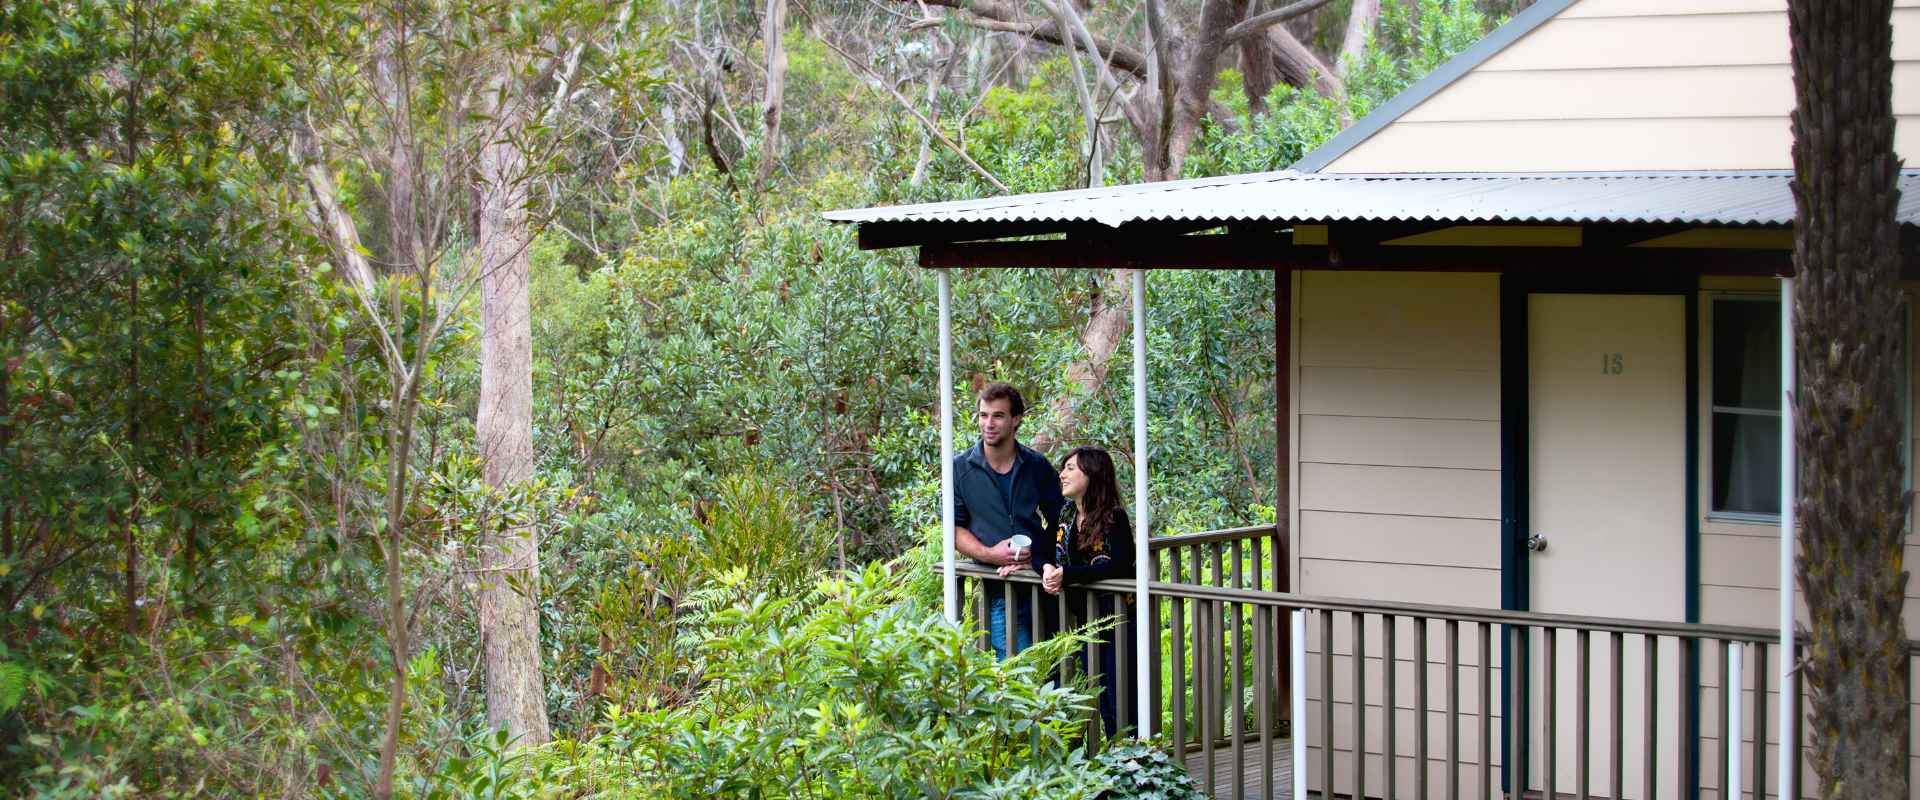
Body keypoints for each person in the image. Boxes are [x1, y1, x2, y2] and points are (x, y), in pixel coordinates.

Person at [1016, 445, 1133, 739]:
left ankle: (1136, 757)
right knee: (1103, 701)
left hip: (1120, 619)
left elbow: (1119, 565)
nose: (1062, 475)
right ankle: (1117, 757)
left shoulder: (1114, 518)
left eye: (1070, 469)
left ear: (1091, 475)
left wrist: (1067, 574)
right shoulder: (1065, 513)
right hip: (1087, 621)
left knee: (1122, 700)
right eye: (1063, 469)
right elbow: (1041, 551)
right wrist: (1047, 569)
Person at [953, 381, 1064, 659]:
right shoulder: (959, 468)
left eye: (998, 416)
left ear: (1016, 420)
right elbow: (954, 528)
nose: (988, 424)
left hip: (1044, 588)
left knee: (1057, 671)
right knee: (1023, 672)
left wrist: (1039, 558)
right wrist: (990, 554)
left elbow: (1061, 518)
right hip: (998, 593)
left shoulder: (1037, 465)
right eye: (983, 415)